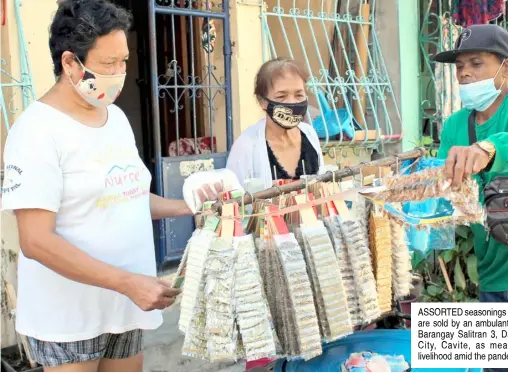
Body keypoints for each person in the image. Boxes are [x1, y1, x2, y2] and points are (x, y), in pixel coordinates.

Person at [1, 1, 220, 371]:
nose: (120, 73)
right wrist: (126, 282)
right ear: (70, 62)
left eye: (124, 61)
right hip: (69, 316)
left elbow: (127, 195)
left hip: (125, 306)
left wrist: (188, 205)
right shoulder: (36, 130)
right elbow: (36, 241)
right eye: (108, 64)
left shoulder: (115, 118)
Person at [433, 24, 508, 372]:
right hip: (493, 277)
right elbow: (443, 195)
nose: (465, 73)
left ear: (507, 67)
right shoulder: (456, 126)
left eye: (477, 63)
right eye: (459, 67)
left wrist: (490, 148)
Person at [226, 57, 324, 189]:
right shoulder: (246, 147)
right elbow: (233, 198)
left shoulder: (309, 134)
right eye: (281, 96)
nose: (292, 103)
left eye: (299, 95)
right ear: (262, 102)